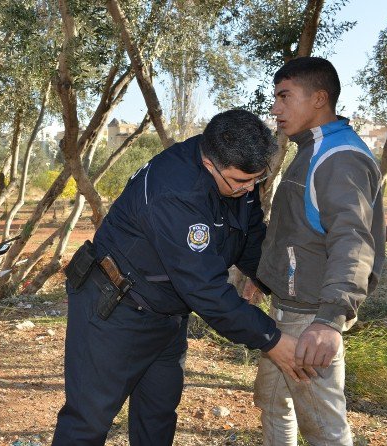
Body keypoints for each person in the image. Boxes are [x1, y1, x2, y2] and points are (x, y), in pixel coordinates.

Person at [53, 109, 310, 446]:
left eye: (256, 181)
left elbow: (249, 239)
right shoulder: (175, 191)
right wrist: (270, 339)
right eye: (241, 182)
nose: (249, 189)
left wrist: (286, 287)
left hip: (166, 314)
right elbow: (204, 287)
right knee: (88, 421)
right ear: (209, 164)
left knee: (158, 417)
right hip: (114, 310)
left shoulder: (235, 176)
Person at [255, 57, 385, 445]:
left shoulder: (338, 157)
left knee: (324, 429)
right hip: (288, 310)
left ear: (319, 99)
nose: (275, 108)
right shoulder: (312, 149)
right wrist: (262, 280)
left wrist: (329, 319)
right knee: (273, 403)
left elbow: (352, 240)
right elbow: (298, 232)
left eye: (284, 96)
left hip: (311, 318)